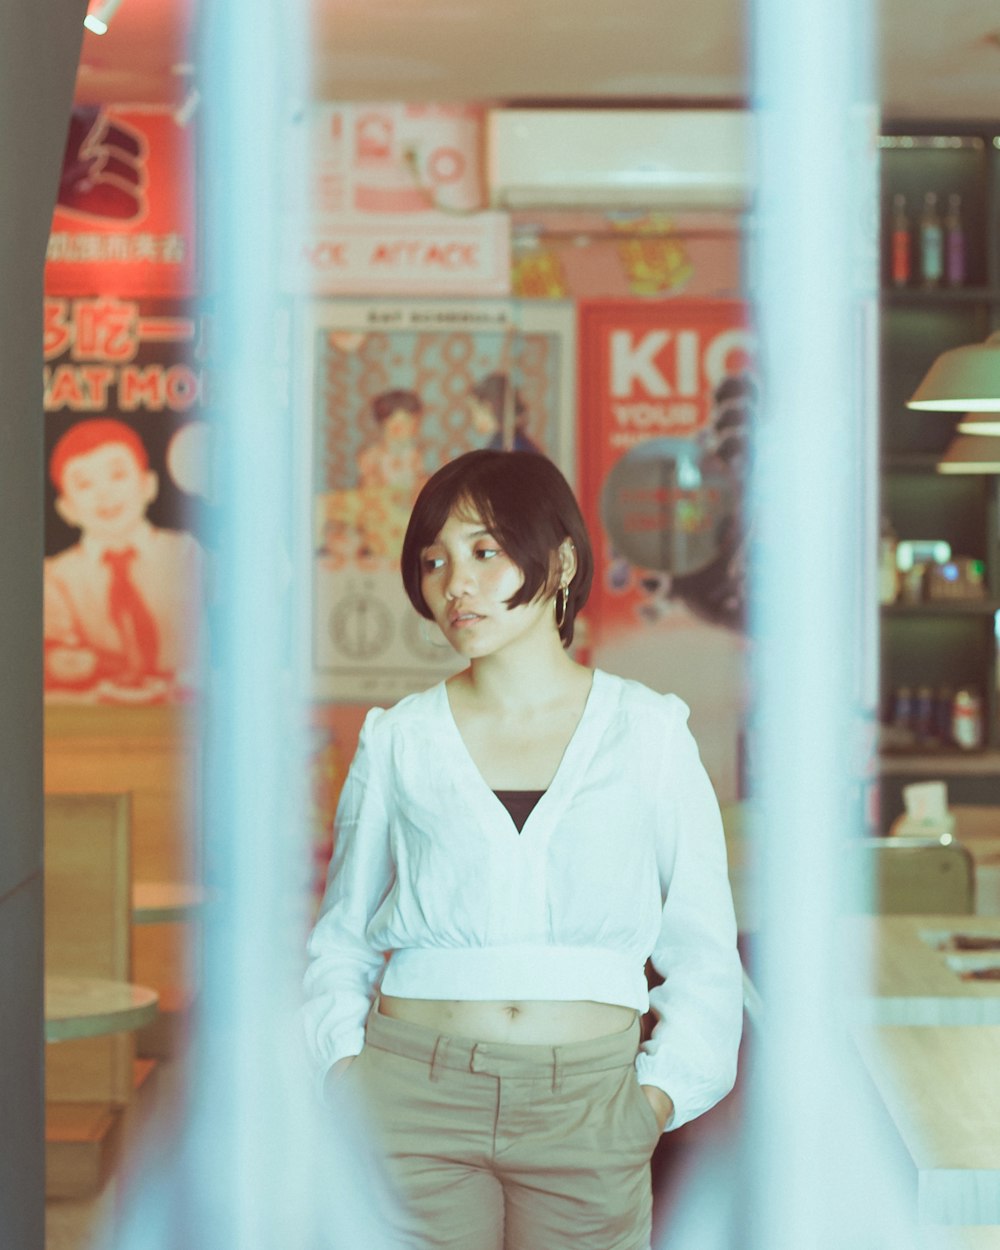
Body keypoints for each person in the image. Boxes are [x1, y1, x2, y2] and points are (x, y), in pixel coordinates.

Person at [302, 449, 743, 1250]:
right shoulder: (398, 738)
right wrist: (342, 1075)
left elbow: (705, 950)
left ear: (561, 560)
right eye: (433, 560)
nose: (453, 585)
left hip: (590, 1104)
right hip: (410, 1096)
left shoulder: (649, 733)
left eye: (484, 550)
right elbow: (341, 938)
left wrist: (657, 1099)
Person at [43, 417, 202, 697]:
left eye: (117, 475)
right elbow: (52, 656)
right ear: (66, 508)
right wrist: (63, 663)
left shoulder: (186, 554)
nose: (104, 493)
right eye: (84, 484)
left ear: (148, 485)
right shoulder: (56, 577)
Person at [467, 372, 542, 454]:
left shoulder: (508, 444)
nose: (472, 420)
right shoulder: (504, 441)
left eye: (474, 412)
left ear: (488, 407)